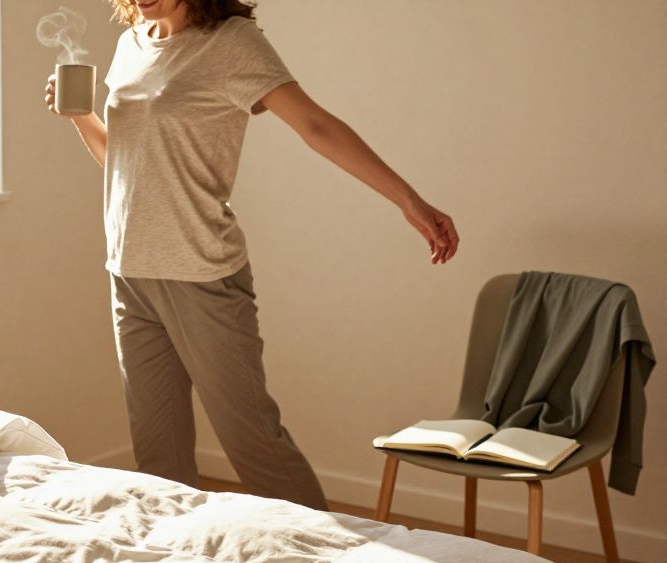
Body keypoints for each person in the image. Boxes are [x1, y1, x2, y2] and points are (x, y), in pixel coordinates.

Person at [45, 0, 459, 511]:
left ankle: (327, 550)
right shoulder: (130, 45)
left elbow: (316, 126)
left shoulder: (231, 42)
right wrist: (81, 117)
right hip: (130, 273)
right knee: (157, 456)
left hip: (201, 272)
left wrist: (408, 200)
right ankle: (174, 555)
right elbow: (124, 159)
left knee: (254, 443)